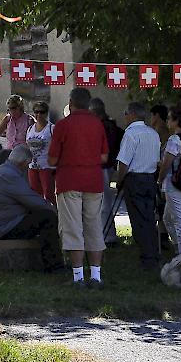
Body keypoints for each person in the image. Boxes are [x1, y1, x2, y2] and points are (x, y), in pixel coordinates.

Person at [48, 88, 109, 288]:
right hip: (93, 180)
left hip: (69, 180)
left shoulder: (62, 125)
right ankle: (96, 276)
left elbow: (52, 158)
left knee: (73, 228)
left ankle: (78, 277)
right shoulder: (97, 123)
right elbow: (104, 157)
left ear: (71, 102)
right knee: (94, 227)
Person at [0, 145, 64, 271]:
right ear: (23, 162)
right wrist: (53, 209)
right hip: (2, 228)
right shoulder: (9, 175)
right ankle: (54, 265)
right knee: (48, 217)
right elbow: (31, 199)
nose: (28, 167)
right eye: (28, 164)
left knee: (41, 216)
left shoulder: (2, 171)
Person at [115, 102, 161, 269]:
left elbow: (124, 163)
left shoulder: (131, 134)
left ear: (132, 114)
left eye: (126, 113)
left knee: (138, 219)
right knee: (149, 217)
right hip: (150, 177)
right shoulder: (153, 133)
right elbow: (157, 159)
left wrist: (120, 180)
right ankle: (153, 252)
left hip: (134, 179)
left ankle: (147, 258)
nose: (125, 117)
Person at [157, 105, 181, 254]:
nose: (167, 122)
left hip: (174, 183)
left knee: (180, 220)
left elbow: (167, 164)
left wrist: (159, 179)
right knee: (171, 217)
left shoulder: (174, 140)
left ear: (176, 121)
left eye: (169, 118)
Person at [89, 98, 124, 245]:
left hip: (102, 167)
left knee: (104, 203)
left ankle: (108, 236)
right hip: (101, 166)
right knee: (100, 203)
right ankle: (103, 234)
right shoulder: (107, 126)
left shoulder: (106, 127)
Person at [26, 101, 56, 205]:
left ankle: (52, 215)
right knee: (34, 194)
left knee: (49, 194)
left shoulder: (52, 128)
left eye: (41, 112)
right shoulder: (30, 129)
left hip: (47, 167)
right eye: (36, 112)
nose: (38, 115)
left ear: (46, 113)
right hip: (32, 166)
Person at [150, 104, 171, 247]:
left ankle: (163, 236)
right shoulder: (157, 132)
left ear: (156, 116)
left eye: (152, 115)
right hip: (158, 170)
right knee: (160, 206)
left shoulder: (162, 133)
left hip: (161, 172)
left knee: (162, 206)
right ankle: (161, 234)